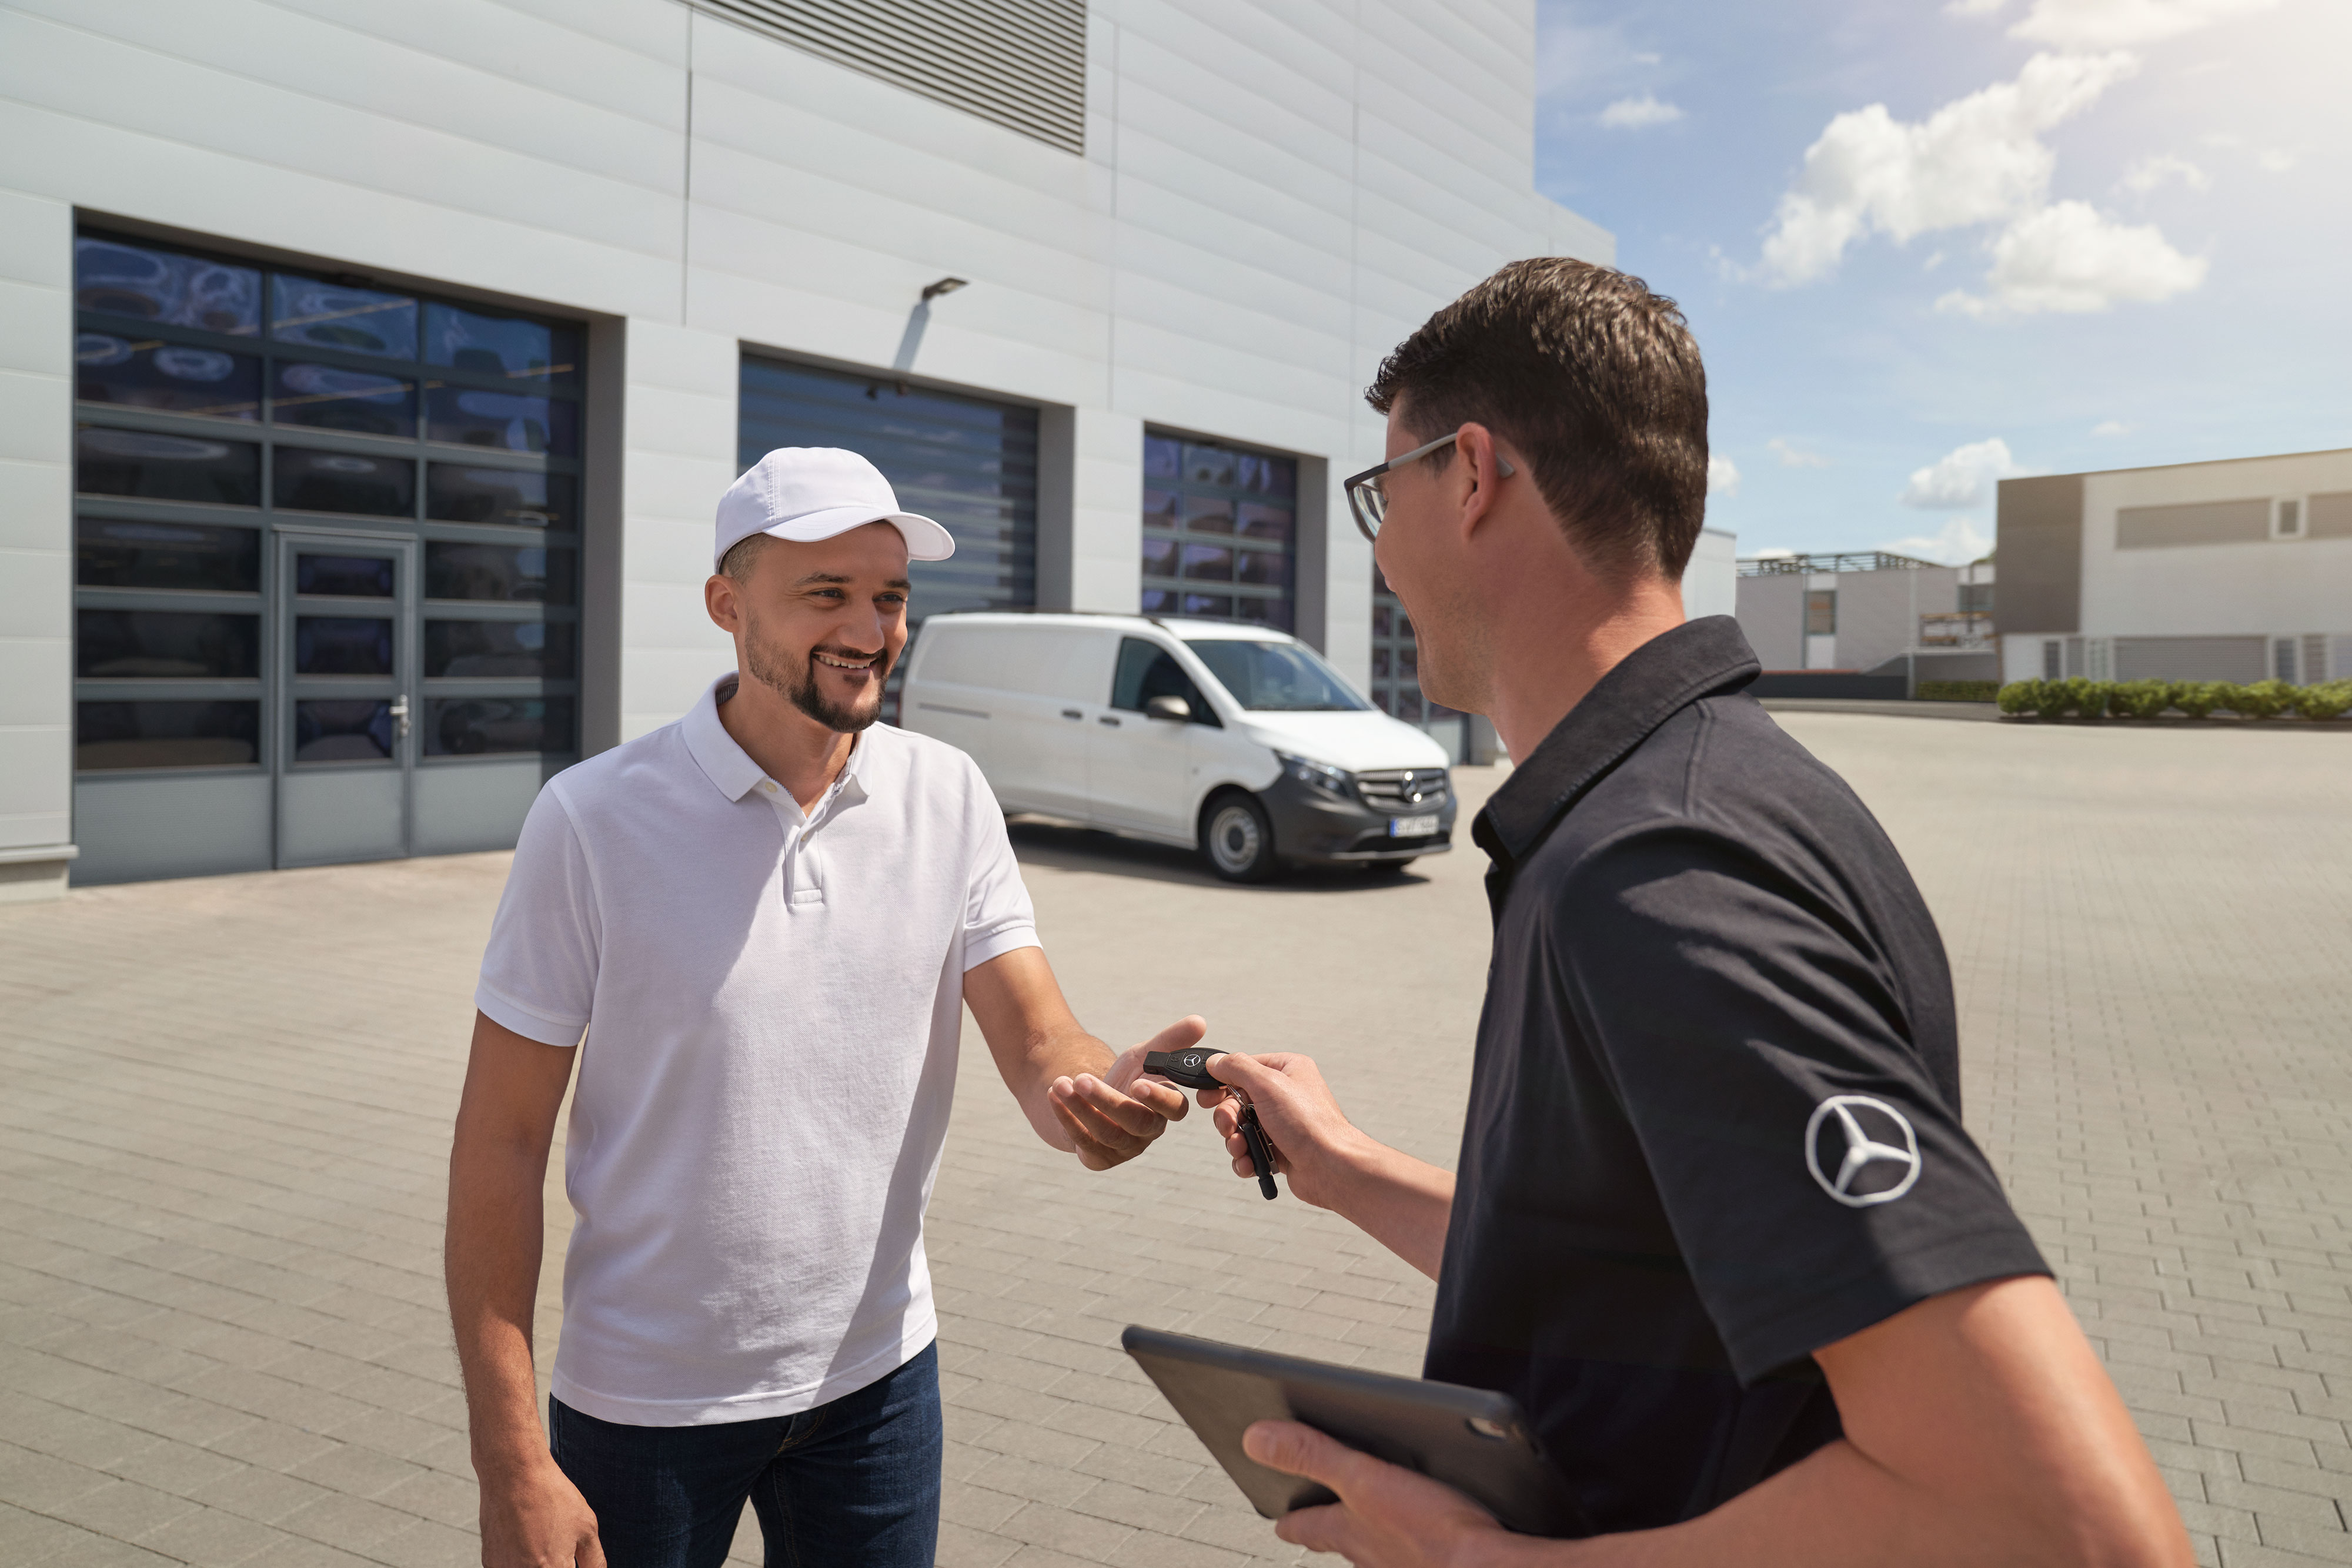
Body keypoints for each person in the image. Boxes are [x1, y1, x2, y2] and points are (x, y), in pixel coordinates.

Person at [1190, 260, 2192, 1566]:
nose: (1377, 551)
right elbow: (1646, 1279)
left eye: (1385, 493)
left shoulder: (1662, 869)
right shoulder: (1699, 796)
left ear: (1473, 473)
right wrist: (1342, 1167)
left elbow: (2061, 1528)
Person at [444, 446, 1202, 1568]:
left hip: (879, 1388)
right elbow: (499, 1146)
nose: (870, 627)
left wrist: (1101, 1091)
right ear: (727, 605)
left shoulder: (947, 794)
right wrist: (510, 1463)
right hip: (647, 1405)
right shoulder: (591, 820)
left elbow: (1042, 1039)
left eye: (890, 596)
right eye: (827, 593)